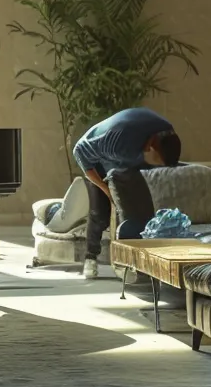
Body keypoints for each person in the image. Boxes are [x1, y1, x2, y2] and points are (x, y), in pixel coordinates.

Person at [72, 107, 182, 279]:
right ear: (150, 146)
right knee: (100, 212)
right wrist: (106, 189)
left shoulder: (166, 131)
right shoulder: (118, 145)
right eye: (158, 162)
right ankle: (91, 257)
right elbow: (80, 153)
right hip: (96, 163)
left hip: (128, 155)